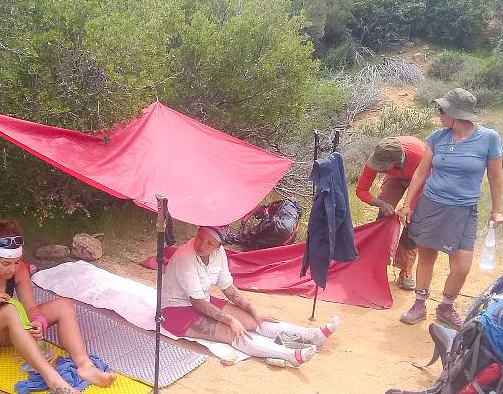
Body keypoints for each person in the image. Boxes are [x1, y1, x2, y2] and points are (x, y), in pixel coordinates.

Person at [0, 219, 116, 394]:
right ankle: (54, 380)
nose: (12, 269)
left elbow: (30, 308)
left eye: (16, 262)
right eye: (6, 264)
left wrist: (38, 322)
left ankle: (85, 366)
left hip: (1, 330)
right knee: (10, 309)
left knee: (64, 305)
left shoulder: (17, 269)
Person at [397, 88, 503, 328]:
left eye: (442, 110)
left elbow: (496, 178)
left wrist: (496, 209)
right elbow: (421, 173)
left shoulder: (488, 139)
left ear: (457, 114)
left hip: (464, 210)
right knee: (427, 258)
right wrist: (406, 204)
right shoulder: (437, 137)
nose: (439, 115)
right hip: (431, 205)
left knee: (462, 266)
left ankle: (446, 306)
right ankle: (419, 304)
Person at [161, 225, 340, 367]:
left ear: (218, 247)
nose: (200, 244)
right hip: (176, 310)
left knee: (254, 320)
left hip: (202, 299)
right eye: (199, 237)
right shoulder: (185, 257)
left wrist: (254, 310)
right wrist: (230, 320)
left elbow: (228, 288)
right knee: (232, 332)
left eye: (209, 243)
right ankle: (290, 355)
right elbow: (198, 303)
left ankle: (312, 335)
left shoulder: (219, 254)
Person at [355, 136, 426, 290]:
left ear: (396, 162)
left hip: (421, 177)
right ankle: (377, 260)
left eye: (382, 167)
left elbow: (425, 186)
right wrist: (380, 203)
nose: (377, 168)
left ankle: (405, 270)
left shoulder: (420, 156)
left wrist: (408, 207)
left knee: (413, 221)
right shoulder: (378, 156)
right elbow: (361, 190)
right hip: (396, 177)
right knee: (384, 216)